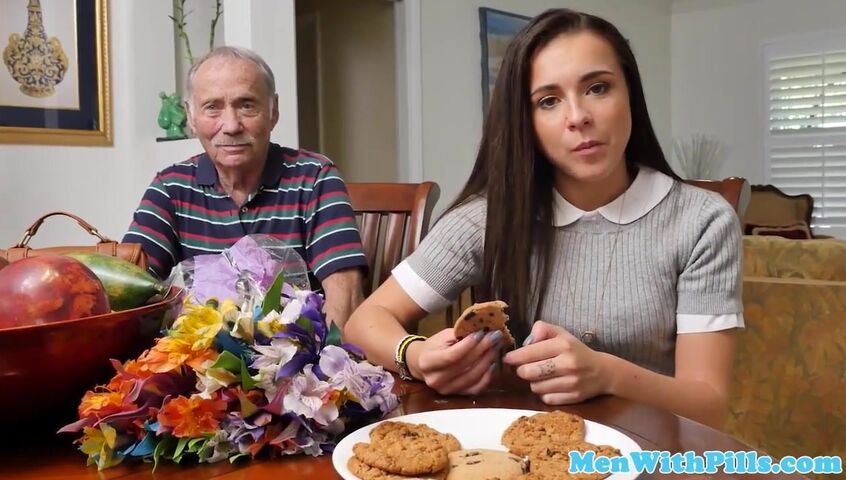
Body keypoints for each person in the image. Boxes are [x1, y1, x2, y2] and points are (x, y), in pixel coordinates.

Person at [344, 8, 743, 429]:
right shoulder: (489, 218)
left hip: (650, 452)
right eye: (549, 101)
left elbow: (709, 405)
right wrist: (416, 355)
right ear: (526, 121)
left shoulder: (701, 222)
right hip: (520, 449)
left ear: (630, 94)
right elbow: (364, 322)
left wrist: (606, 374)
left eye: (598, 88)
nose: (578, 116)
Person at [124, 46, 367, 328]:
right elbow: (129, 287)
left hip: (296, 351)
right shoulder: (170, 187)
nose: (231, 125)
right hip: (195, 350)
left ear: (273, 111)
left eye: (247, 105)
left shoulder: (315, 178)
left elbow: (346, 298)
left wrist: (319, 354)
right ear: (190, 117)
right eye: (212, 107)